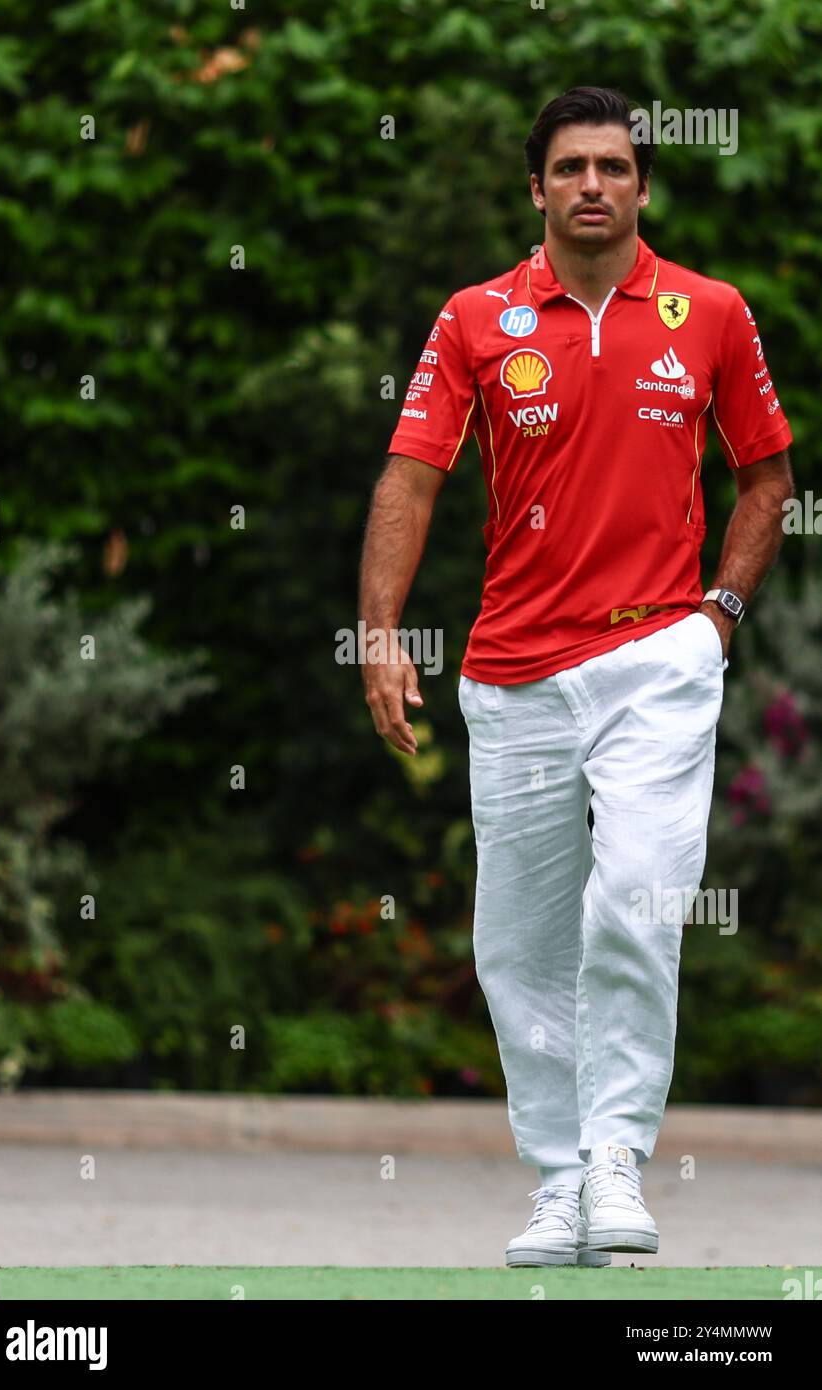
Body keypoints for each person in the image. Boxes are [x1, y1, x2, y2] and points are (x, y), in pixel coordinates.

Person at [358, 86, 793, 1267]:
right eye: (569, 169)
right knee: (518, 942)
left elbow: (766, 478)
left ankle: (615, 1157)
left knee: (638, 901)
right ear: (536, 189)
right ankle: (557, 1179)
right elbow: (409, 476)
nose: (591, 185)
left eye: (611, 165)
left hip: (659, 656)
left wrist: (718, 614)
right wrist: (381, 630)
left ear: (642, 186)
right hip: (510, 674)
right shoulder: (473, 320)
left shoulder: (706, 312)